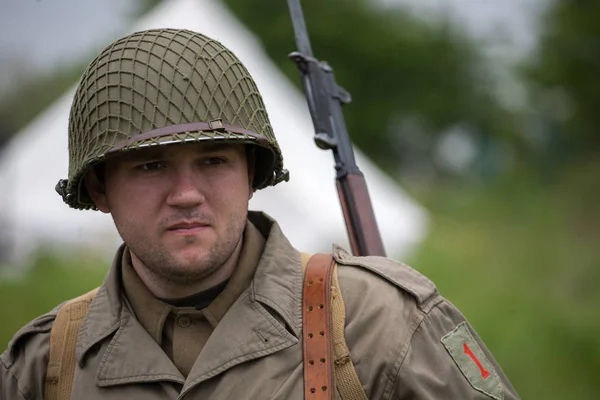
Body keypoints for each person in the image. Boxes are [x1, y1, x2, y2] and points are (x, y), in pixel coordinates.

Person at [0, 28, 519, 400]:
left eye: (213, 161)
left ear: (252, 175)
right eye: (152, 166)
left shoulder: (379, 323)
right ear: (99, 187)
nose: (186, 193)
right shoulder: (46, 365)